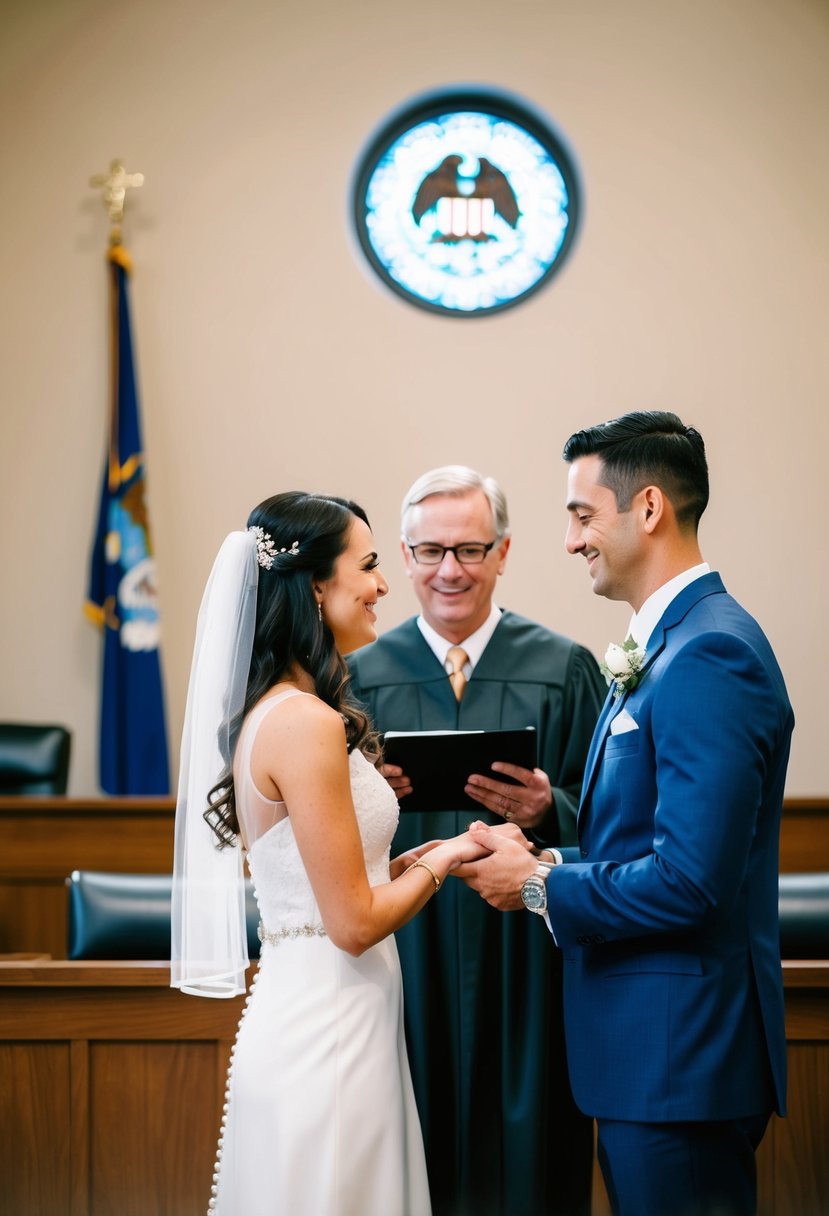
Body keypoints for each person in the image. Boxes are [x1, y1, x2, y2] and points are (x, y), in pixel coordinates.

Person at [462, 412, 793, 1216]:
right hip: (653, 1054)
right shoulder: (669, 645)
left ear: (647, 509)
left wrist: (539, 885)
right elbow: (645, 842)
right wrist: (543, 859)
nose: (571, 540)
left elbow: (689, 882)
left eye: (582, 515)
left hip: (680, 1055)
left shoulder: (709, 652)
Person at [170, 491, 487, 1216]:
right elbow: (352, 924)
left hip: (332, 1008)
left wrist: (406, 863)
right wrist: (450, 857)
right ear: (315, 586)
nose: (382, 586)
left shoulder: (276, 711)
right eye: (368, 566)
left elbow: (329, 887)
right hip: (330, 1027)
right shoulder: (305, 723)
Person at [348, 466, 605, 1216]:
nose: (449, 570)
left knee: (533, 1147)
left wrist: (548, 805)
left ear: (502, 553)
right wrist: (369, 797)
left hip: (527, 949)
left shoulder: (563, 667)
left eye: (469, 549)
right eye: (429, 552)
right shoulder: (360, 676)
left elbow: (620, 818)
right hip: (409, 947)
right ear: (403, 557)